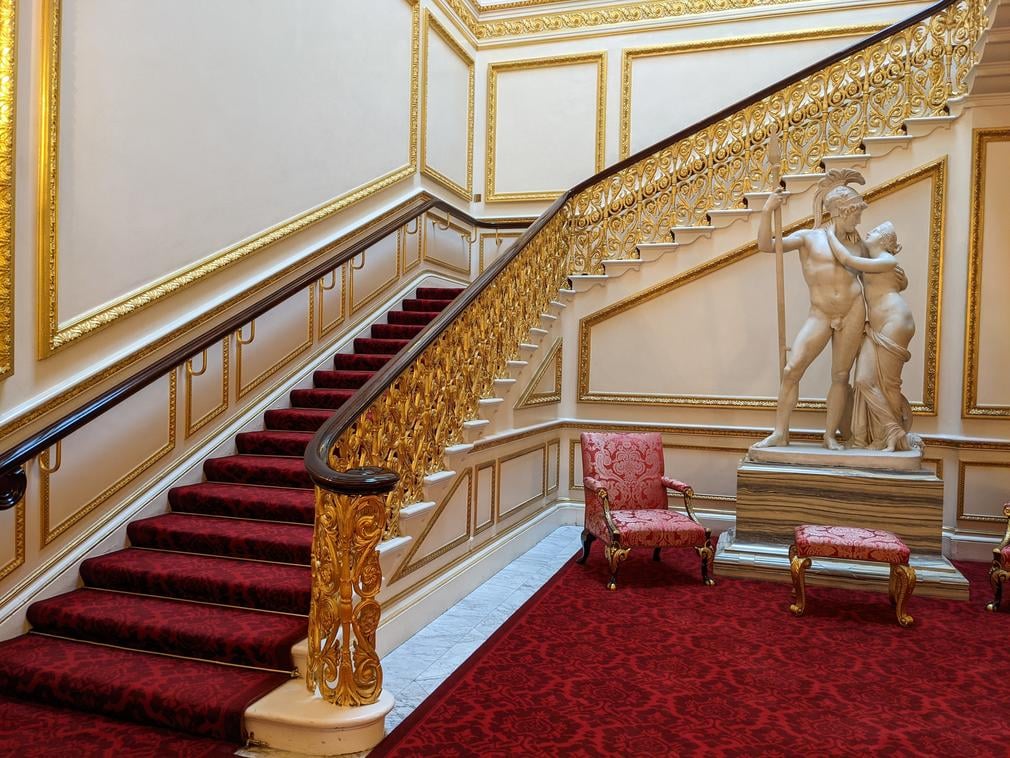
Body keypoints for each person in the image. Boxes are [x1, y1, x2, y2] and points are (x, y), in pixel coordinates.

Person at [754, 174, 869, 450]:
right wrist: (767, 210)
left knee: (841, 376)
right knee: (792, 369)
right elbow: (766, 245)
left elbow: (870, 282)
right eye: (855, 213)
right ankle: (780, 432)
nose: (859, 219)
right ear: (841, 212)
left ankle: (830, 435)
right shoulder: (809, 238)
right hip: (820, 314)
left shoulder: (859, 244)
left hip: (853, 311)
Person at [825, 220, 917, 451]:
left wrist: (830, 235)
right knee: (863, 381)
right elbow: (901, 282)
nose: (869, 230)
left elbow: (847, 259)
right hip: (876, 325)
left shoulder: (887, 260)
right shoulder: (876, 261)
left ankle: (890, 436)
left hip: (896, 322)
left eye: (876, 230)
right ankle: (889, 431)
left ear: (886, 241)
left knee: (889, 384)